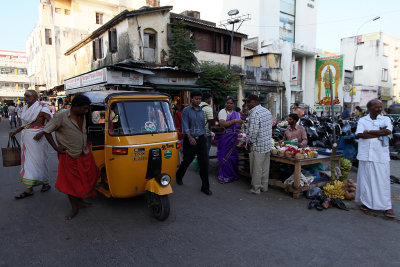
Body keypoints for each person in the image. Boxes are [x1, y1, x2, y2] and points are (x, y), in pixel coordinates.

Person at [43, 94, 100, 220]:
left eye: (87, 109)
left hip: (84, 152)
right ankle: (74, 207)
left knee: (89, 176)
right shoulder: (61, 116)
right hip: (69, 155)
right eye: (84, 108)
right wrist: (55, 147)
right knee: (71, 183)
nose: (86, 111)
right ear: (75, 106)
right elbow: (46, 131)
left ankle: (80, 201)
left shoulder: (83, 115)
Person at [355, 99, 395, 218]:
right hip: (366, 155)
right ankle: (367, 203)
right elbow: (359, 134)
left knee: (383, 182)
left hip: (380, 155)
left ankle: (387, 206)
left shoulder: (385, 119)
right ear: (369, 108)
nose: (379, 109)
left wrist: (371, 132)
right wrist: (379, 133)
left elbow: (388, 131)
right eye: (376, 107)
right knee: (366, 181)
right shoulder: (363, 120)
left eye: (380, 107)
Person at [9, 90, 52, 199]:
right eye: (24, 96)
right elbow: (26, 125)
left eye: (27, 96)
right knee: (28, 162)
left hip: (38, 140)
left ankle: (44, 183)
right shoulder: (25, 108)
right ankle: (30, 188)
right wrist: (16, 131)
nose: (25, 97)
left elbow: (52, 123)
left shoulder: (42, 108)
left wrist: (42, 132)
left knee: (40, 161)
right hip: (27, 138)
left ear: (35, 97)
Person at [175, 91, 212, 195]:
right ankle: (179, 176)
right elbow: (185, 124)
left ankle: (205, 187)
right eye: (196, 98)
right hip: (190, 139)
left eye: (200, 99)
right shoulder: (186, 110)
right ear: (191, 99)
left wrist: (204, 136)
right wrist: (190, 137)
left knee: (204, 163)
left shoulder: (201, 111)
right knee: (187, 161)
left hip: (201, 139)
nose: (198, 101)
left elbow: (202, 125)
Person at [246, 94, 273, 194]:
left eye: (249, 102)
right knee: (265, 167)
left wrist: (249, 143)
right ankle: (264, 187)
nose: (247, 104)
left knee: (256, 168)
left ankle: (256, 189)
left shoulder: (255, 114)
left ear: (255, 102)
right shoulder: (266, 111)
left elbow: (253, 132)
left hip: (257, 145)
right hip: (266, 144)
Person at [215, 97, 244, 183]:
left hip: (233, 139)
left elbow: (237, 126)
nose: (229, 105)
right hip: (224, 138)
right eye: (227, 103)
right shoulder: (223, 112)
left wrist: (240, 125)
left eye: (231, 103)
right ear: (225, 104)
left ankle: (232, 175)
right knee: (224, 157)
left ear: (234, 104)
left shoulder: (237, 114)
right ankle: (223, 176)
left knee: (233, 157)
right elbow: (223, 124)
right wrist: (235, 121)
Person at [200, 93, 214, 165]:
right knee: (206, 152)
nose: (210, 101)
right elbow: (211, 122)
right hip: (206, 133)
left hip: (198, 133)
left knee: (200, 152)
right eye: (210, 99)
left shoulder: (198, 106)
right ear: (206, 99)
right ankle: (205, 169)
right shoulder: (208, 108)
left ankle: (200, 167)